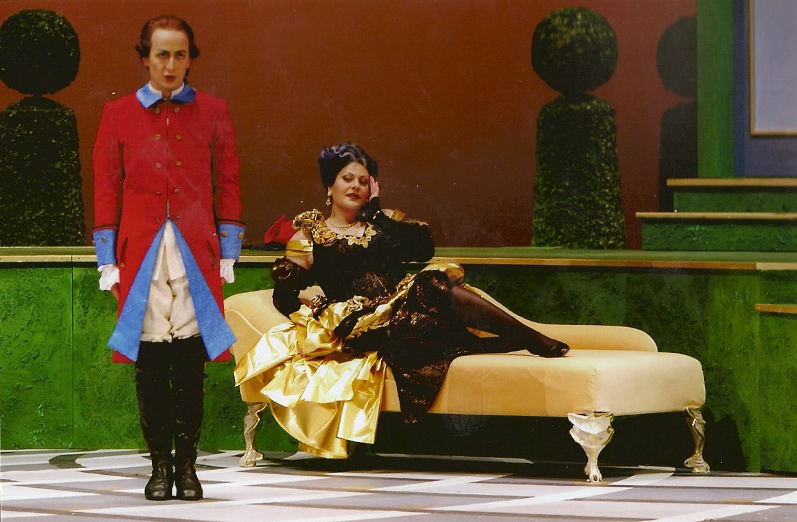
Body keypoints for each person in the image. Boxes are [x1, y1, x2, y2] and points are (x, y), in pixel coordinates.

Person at [234, 142, 567, 459]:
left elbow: (423, 250)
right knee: (432, 293)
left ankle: (528, 339)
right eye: (347, 179)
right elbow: (284, 296)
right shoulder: (311, 235)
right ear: (330, 186)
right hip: (363, 324)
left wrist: (377, 213)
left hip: (406, 307)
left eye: (363, 181)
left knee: (432, 284)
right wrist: (313, 303)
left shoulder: (384, 221)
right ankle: (528, 339)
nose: (355, 187)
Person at [92, 15, 244, 501]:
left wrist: (228, 251)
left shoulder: (214, 111)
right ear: (145, 58)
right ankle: (159, 467)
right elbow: (106, 187)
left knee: (191, 366)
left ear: (189, 59)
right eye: (162, 54)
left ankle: (188, 469)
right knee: (151, 364)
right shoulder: (117, 114)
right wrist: (107, 259)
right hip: (142, 256)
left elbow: (227, 182)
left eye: (180, 54)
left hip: (195, 253)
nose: (171, 64)